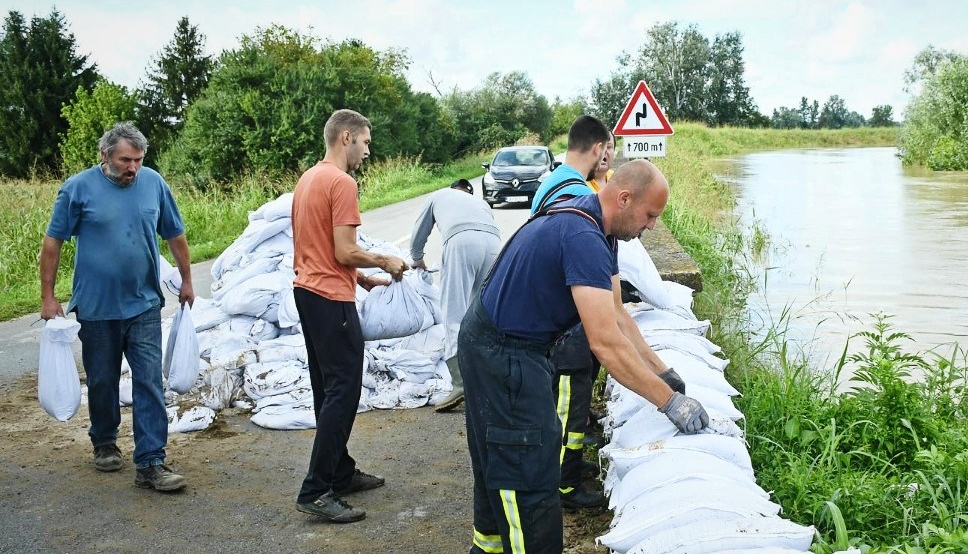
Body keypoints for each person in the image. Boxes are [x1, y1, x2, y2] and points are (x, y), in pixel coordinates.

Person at [460, 159, 708, 554]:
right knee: (527, 471)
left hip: (510, 344)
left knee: (504, 456)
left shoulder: (599, 228)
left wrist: (663, 372)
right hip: (501, 352)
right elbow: (605, 343)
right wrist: (669, 402)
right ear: (624, 198)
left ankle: (487, 547)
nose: (652, 226)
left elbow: (616, 313)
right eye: (650, 215)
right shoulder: (582, 236)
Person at [39, 122, 193, 492]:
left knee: (149, 382)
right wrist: (47, 295)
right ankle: (105, 440)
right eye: (126, 160)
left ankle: (151, 462)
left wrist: (187, 280)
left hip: (143, 303)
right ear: (105, 155)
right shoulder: (77, 189)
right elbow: (52, 243)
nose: (133, 168)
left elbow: (175, 235)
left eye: (138, 160)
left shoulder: (154, 183)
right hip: (95, 307)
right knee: (103, 380)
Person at [291, 109, 409, 524]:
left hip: (309, 293)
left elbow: (318, 245)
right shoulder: (341, 182)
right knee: (344, 391)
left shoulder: (309, 179)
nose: (368, 150)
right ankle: (316, 488)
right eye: (366, 142)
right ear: (346, 138)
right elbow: (342, 249)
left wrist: (362, 280)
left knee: (327, 389)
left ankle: (339, 472)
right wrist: (385, 261)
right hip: (329, 298)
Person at [527, 115, 611, 509]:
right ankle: (564, 485)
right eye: (606, 151)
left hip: (553, 315)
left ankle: (568, 470)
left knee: (568, 404)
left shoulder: (552, 180)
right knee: (568, 407)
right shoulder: (576, 193)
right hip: (565, 322)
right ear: (597, 148)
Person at [409, 178, 501, 412]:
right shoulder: (480, 204)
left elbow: (420, 230)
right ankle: (490, 379)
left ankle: (460, 383)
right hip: (493, 244)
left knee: (453, 315)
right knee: (482, 314)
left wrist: (417, 258)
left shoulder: (439, 195)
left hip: (461, 241)